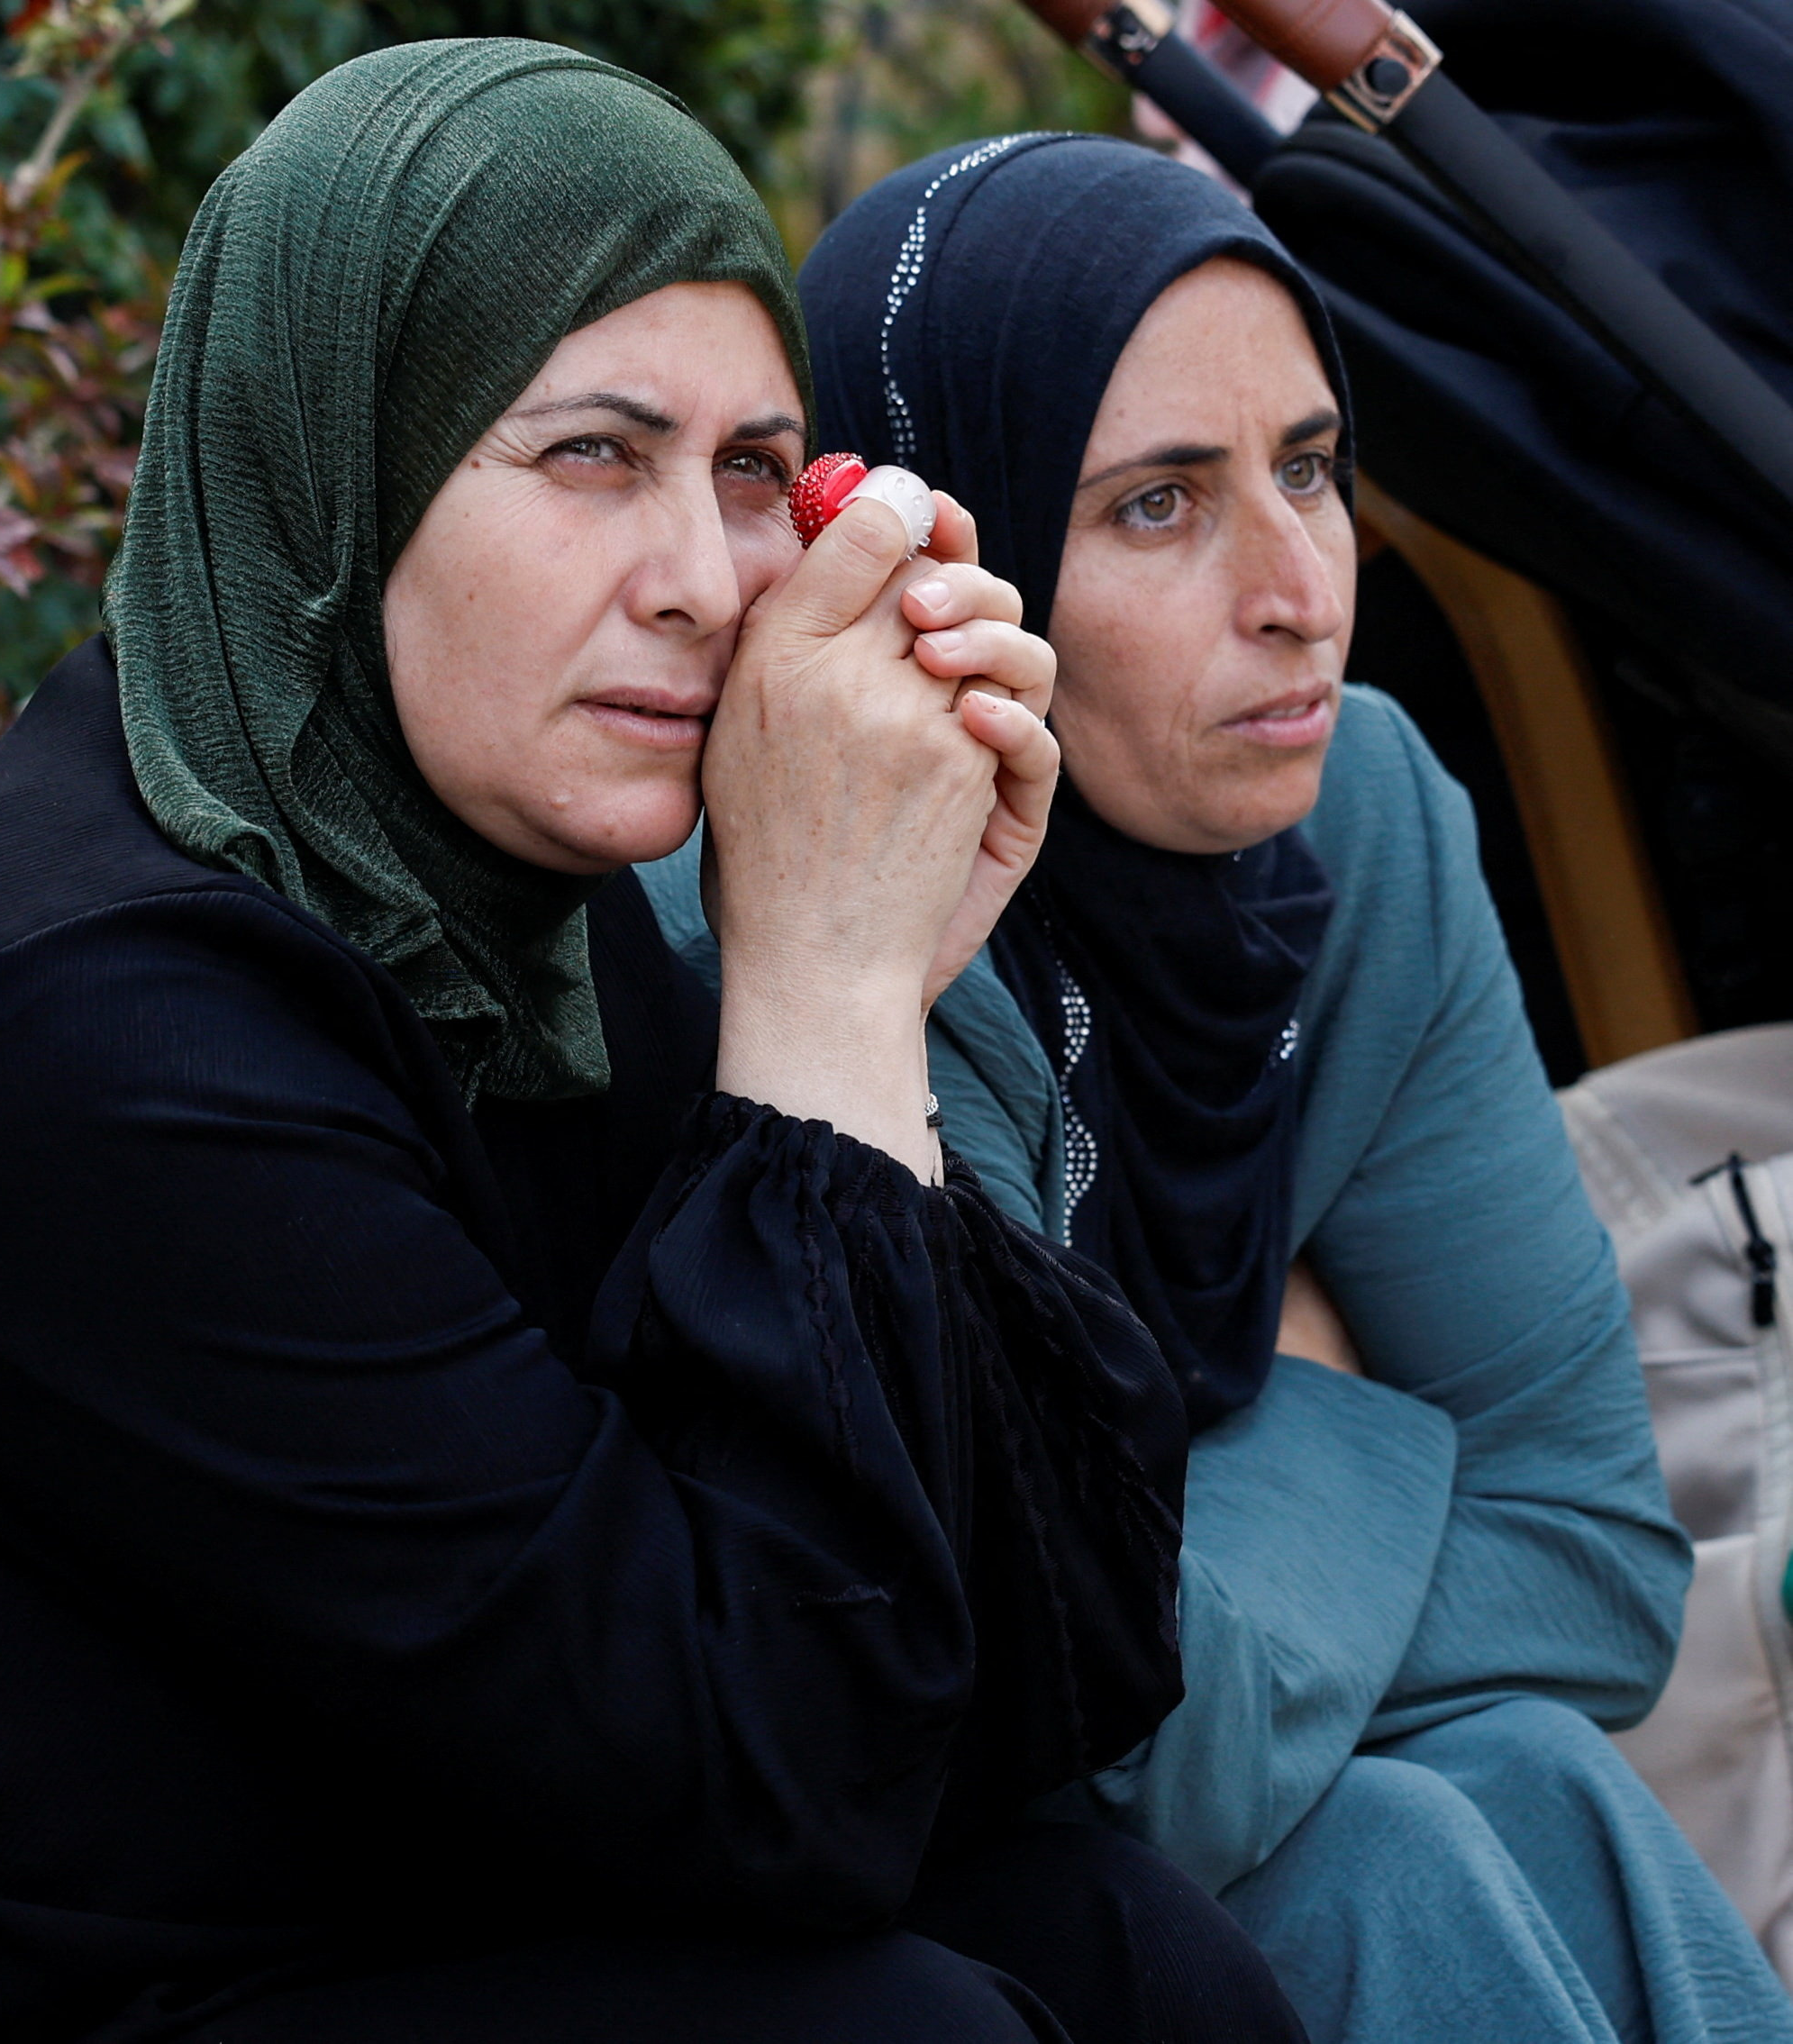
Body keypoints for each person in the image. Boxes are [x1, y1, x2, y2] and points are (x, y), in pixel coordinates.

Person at [0, 41, 1306, 2044]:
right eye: (593, 454)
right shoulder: (90, 1025)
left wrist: (882, 1003)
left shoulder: (505, 926)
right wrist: (819, 1009)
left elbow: (1046, 1683)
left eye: (753, 472)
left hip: (391, 1892)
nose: (704, 583)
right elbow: (770, 1773)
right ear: (343, 463)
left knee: (1119, 1944)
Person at [645, 129, 1792, 2044]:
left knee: (1531, 1773)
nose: (1298, 593)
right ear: (950, 565)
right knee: (1386, 1851)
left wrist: (1196, 1518)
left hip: (1204, 1803)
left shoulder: (1359, 813)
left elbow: (1597, 1561)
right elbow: (1095, 1744)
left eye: (1312, 469)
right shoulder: (830, 919)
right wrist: (1344, 1407)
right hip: (861, 1929)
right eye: (1159, 505)